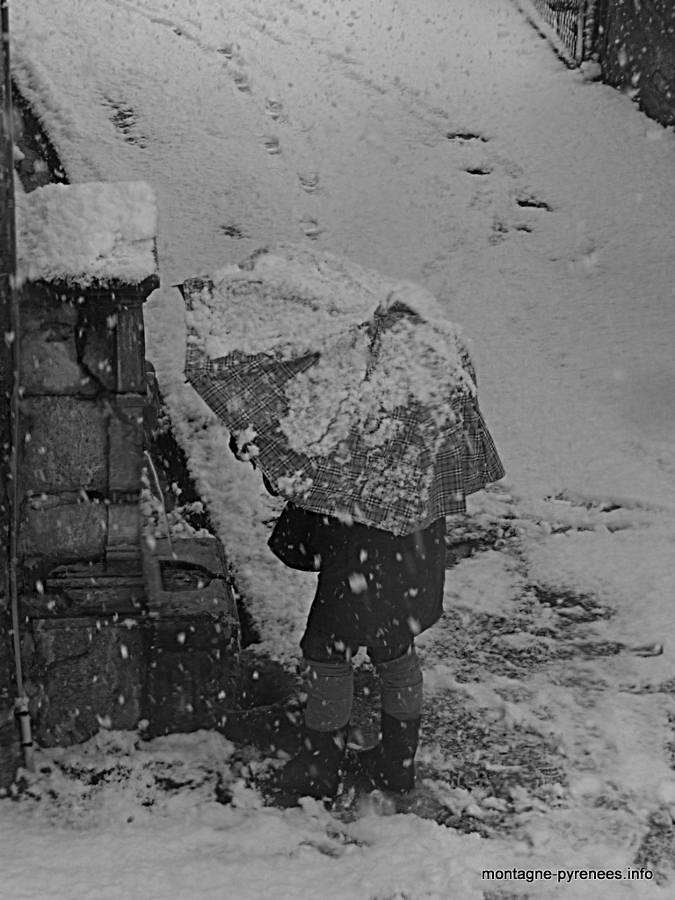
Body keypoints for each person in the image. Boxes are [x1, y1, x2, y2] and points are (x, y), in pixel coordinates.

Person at [266, 502, 447, 801]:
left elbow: (296, 549)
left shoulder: (347, 473)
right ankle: (397, 763)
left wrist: (301, 506)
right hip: (414, 577)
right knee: (396, 652)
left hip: (353, 579)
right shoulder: (424, 473)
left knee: (327, 654)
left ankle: (320, 768)